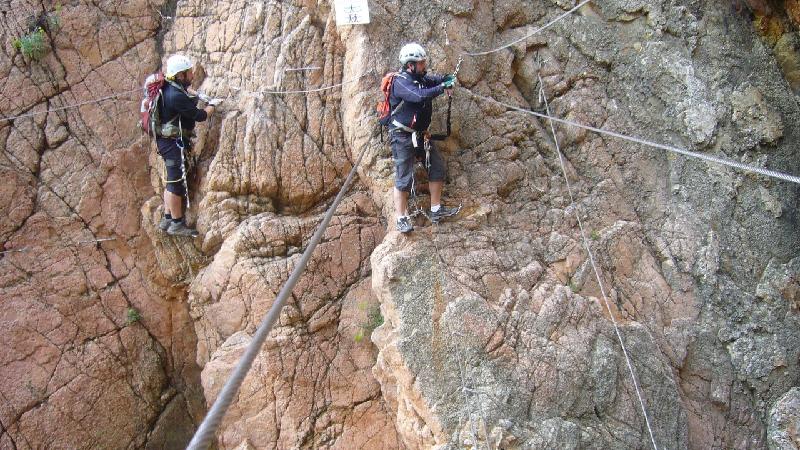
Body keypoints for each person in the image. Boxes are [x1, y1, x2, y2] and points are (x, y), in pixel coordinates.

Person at [388, 43, 459, 233]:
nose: (424, 65)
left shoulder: (421, 78)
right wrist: (442, 87)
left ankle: (436, 209)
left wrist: (446, 79)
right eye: (421, 63)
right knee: (404, 177)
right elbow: (418, 96)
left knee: (436, 167)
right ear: (410, 65)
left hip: (421, 135)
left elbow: (435, 80)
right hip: (402, 136)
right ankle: (401, 218)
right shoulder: (401, 82)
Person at [155, 54, 219, 237]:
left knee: (171, 181)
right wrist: (212, 105)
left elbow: (185, 92)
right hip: (173, 144)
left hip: (166, 141)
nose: (192, 74)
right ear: (180, 75)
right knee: (175, 183)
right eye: (189, 72)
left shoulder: (169, 86)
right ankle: (176, 224)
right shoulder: (175, 96)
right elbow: (200, 116)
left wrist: (194, 94)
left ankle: (167, 218)